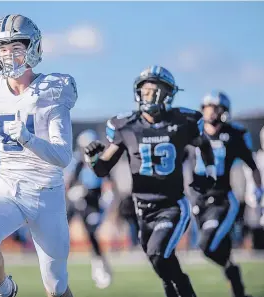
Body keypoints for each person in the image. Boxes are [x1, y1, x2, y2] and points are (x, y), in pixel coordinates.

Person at [0, 14, 77, 297]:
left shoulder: (52, 91)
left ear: (32, 48)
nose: (7, 54)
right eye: (2, 48)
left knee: (57, 288)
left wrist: (28, 138)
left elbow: (62, 157)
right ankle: (5, 290)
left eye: (15, 47)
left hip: (47, 193)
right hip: (8, 188)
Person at [84, 65, 217, 297]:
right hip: (142, 209)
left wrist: (209, 173)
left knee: (158, 253)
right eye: (144, 90)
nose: (148, 95)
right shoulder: (127, 126)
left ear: (167, 93)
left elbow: (203, 144)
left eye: (154, 90)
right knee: (161, 262)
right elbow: (102, 169)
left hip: (172, 205)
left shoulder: (182, 120)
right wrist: (92, 157)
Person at [191, 91, 263, 297]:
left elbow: (252, 165)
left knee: (206, 245)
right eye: (207, 108)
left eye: (215, 108)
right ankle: (237, 286)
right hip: (199, 199)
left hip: (222, 199)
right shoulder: (193, 134)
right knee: (216, 246)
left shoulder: (233, 134)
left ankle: (232, 272)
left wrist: (257, 189)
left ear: (224, 111)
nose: (210, 113)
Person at [65, 129, 112, 289]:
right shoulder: (77, 162)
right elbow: (70, 184)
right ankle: (55, 261)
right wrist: (74, 191)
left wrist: (108, 197)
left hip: (92, 202)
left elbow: (108, 184)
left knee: (92, 233)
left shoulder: (101, 163)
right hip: (76, 200)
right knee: (61, 229)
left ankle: (99, 264)